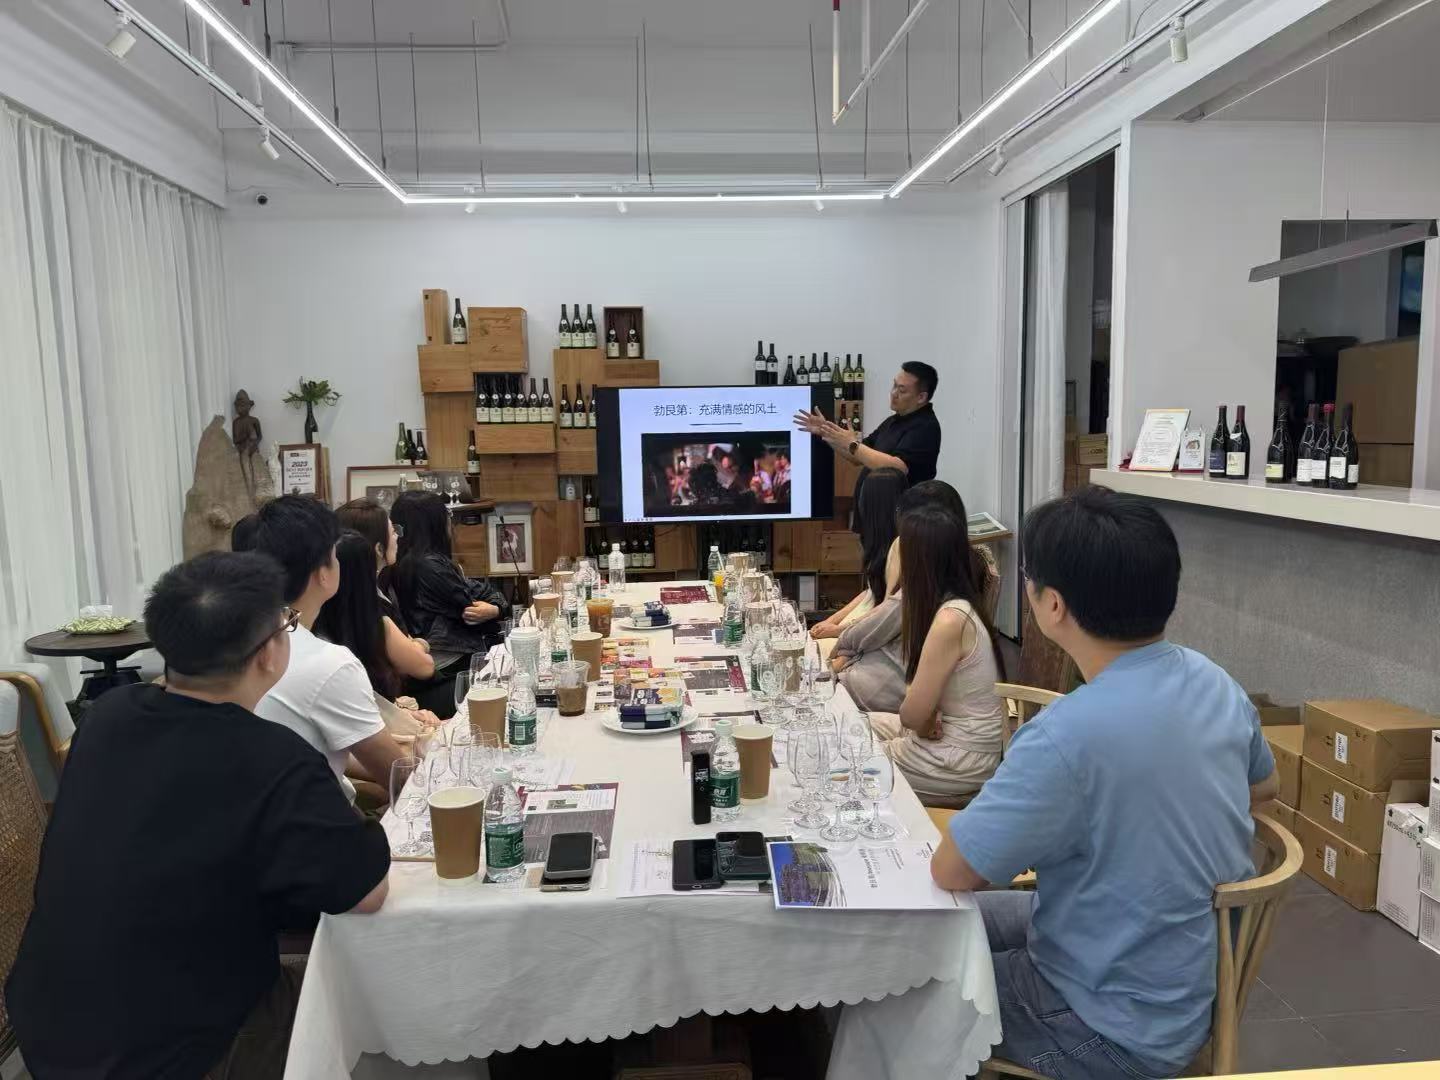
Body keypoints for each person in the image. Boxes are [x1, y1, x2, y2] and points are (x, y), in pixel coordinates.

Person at [931, 487, 1279, 1079]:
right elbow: (1266, 787)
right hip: (1184, 983)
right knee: (948, 926)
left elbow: (952, 871)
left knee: (905, 979)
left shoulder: (1065, 735)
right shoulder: (1214, 681)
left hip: (1102, 1028)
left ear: (1053, 605)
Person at [7, 552, 390, 1079]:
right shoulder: (273, 757)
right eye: (287, 624)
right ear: (269, 654)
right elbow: (366, 894)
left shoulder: (107, 718)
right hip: (181, 1047)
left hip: (49, 1024)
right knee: (364, 1003)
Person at [242, 495, 406, 800]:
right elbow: (399, 775)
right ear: (322, 573)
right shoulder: (329, 662)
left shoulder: (243, 636)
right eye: (335, 555)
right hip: (309, 820)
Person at [868, 503, 1005, 803]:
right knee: (850, 725)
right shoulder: (958, 605)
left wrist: (925, 718)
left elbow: (912, 715)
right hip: (958, 742)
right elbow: (918, 714)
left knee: (849, 759)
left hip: (957, 758)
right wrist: (925, 717)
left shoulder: (949, 621)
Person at [390, 490, 511, 716]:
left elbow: (481, 592)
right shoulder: (428, 566)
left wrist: (496, 607)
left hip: (439, 662)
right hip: (449, 665)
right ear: (434, 523)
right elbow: (474, 611)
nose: (450, 522)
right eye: (447, 515)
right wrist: (499, 608)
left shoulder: (411, 562)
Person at [315, 530, 439, 737]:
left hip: (380, 719)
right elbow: (424, 668)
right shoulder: (374, 622)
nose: (397, 535)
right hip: (376, 730)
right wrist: (421, 644)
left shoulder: (315, 624)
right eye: (392, 530)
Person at [793, 360, 941, 517]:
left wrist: (852, 444)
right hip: (873, 515)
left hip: (900, 517)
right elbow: (857, 456)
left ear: (921, 397)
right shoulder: (893, 421)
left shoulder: (925, 426)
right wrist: (826, 432)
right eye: (894, 386)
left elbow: (899, 468)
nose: (893, 393)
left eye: (902, 390)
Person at [810, 468, 908, 639]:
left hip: (877, 634)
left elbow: (888, 610)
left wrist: (839, 630)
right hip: (865, 626)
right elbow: (870, 592)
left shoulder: (901, 547)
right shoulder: (879, 542)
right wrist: (831, 621)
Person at [337, 496, 412, 631]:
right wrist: (419, 642)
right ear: (379, 549)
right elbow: (410, 645)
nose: (397, 537)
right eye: (393, 532)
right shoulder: (369, 606)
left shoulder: (355, 590)